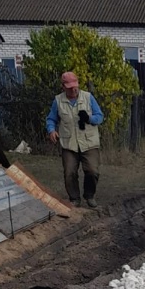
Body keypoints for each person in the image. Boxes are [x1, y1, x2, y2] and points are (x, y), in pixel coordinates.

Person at [46, 71, 105, 208]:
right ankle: (74, 198)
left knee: (92, 171)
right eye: (69, 87)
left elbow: (100, 116)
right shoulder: (58, 101)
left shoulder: (88, 97)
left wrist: (90, 119)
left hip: (89, 142)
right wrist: (51, 130)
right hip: (69, 143)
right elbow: (51, 119)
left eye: (75, 85)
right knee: (69, 173)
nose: (73, 89)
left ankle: (89, 195)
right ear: (63, 87)